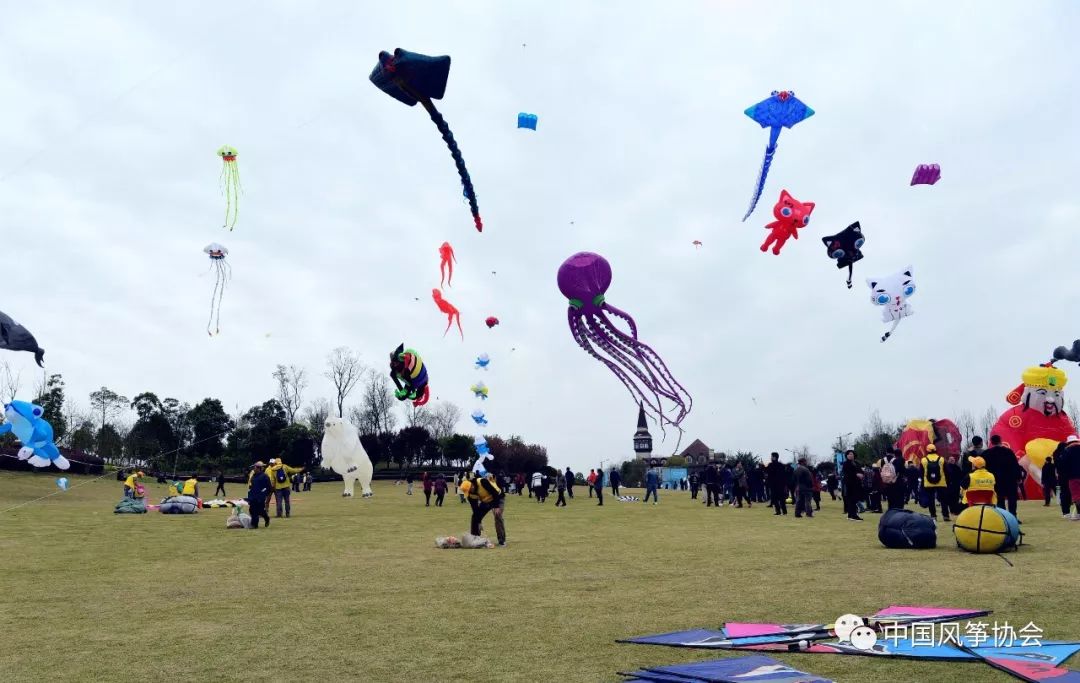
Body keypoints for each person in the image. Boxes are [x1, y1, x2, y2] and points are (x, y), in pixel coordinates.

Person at [982, 434, 1021, 517]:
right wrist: (1018, 477)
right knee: (1012, 498)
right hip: (1010, 479)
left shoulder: (986, 453)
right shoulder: (1008, 452)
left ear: (991, 442)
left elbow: (983, 467)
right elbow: (1015, 465)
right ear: (1000, 441)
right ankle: (1013, 516)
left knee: (999, 499)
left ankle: (1003, 517)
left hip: (995, 480)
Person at [919, 445, 950, 521]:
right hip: (941, 483)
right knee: (943, 500)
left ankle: (933, 516)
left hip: (928, 483)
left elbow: (921, 473)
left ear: (927, 450)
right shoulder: (941, 459)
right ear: (935, 450)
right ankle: (945, 516)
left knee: (931, 500)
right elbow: (947, 472)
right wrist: (948, 482)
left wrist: (923, 483)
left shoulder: (923, 460)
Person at [247, 461, 272, 529]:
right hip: (253, 496)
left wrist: (263, 494)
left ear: (259, 468)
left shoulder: (265, 476)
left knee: (259, 511)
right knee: (252, 510)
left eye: (255, 468)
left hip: (260, 497)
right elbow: (250, 486)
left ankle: (265, 519)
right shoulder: (253, 476)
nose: (254, 469)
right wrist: (249, 496)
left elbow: (268, 487)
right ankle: (254, 524)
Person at [841, 450, 864, 521]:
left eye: (852, 454)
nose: (851, 455)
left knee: (854, 499)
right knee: (851, 499)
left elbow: (861, 471)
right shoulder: (846, 464)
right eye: (849, 454)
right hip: (849, 484)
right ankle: (852, 515)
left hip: (857, 484)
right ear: (847, 456)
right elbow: (847, 474)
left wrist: (861, 474)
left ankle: (852, 514)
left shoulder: (856, 463)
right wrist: (856, 474)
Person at [1064, 435, 1080, 520]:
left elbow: (1064, 464)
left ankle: (1079, 513)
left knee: (1077, 496)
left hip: (1073, 476)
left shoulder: (1067, 451)